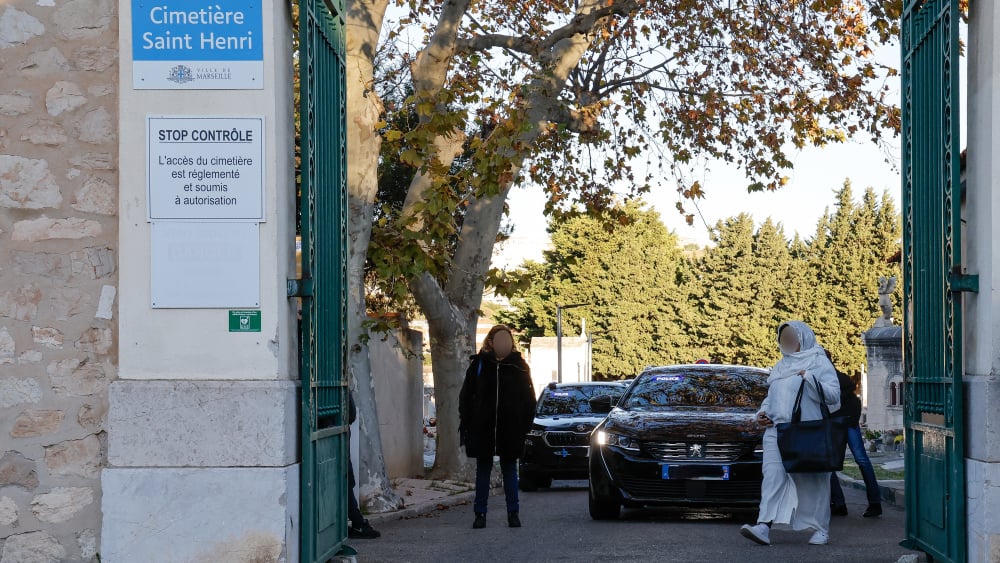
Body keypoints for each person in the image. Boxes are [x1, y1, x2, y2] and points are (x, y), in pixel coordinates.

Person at [741, 321, 841, 547]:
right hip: (776, 431)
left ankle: (820, 528)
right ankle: (764, 526)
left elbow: (834, 396)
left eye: (790, 338)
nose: (785, 342)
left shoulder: (818, 361)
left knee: (812, 480)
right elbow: (771, 397)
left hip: (807, 432)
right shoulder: (780, 366)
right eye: (782, 338)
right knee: (773, 476)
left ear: (803, 338)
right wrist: (761, 414)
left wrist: (810, 378)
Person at [459, 325, 536, 529]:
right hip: (482, 430)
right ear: (491, 342)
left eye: (507, 340)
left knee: (510, 470)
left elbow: (529, 400)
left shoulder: (519, 367)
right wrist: (468, 423)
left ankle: (513, 513)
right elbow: (465, 397)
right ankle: (480, 514)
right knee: (483, 470)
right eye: (500, 340)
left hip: (510, 431)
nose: (504, 344)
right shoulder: (478, 365)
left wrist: (524, 426)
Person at [827, 350, 883, 518]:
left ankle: (842, 503)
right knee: (853, 461)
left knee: (836, 463)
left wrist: (849, 420)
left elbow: (852, 403)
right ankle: (847, 503)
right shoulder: (840, 379)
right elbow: (854, 402)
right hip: (843, 424)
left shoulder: (831, 378)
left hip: (843, 424)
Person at [347, 393, 381, 539]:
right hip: (337, 441)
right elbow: (351, 414)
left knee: (345, 484)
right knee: (346, 483)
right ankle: (358, 522)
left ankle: (354, 522)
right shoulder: (341, 384)